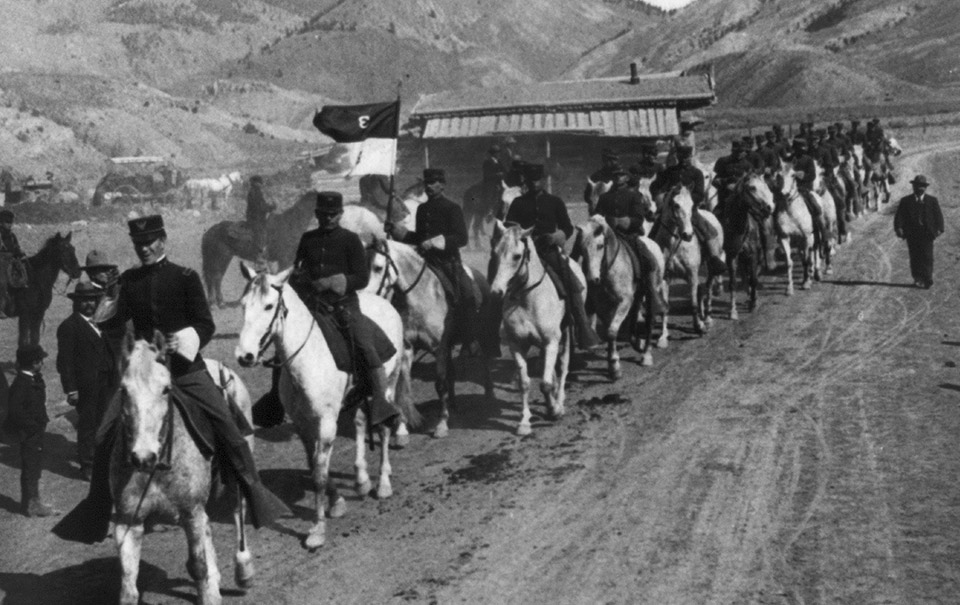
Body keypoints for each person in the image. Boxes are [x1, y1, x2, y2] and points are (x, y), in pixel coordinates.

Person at [53, 214, 290, 544]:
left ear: (162, 240)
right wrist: (107, 300)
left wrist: (187, 339)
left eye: (149, 242)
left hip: (186, 369)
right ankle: (96, 508)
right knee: (106, 433)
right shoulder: (131, 281)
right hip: (148, 372)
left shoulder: (186, 277)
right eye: (139, 244)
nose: (144, 249)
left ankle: (252, 490)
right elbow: (112, 323)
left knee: (227, 425)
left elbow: (206, 324)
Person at [293, 192, 402, 426]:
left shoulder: (351, 240)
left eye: (333, 214)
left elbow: (361, 279)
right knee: (287, 338)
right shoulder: (307, 239)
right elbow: (298, 269)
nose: (329, 219)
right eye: (324, 214)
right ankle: (275, 396)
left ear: (340, 214)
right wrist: (302, 280)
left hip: (344, 305)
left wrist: (335, 282)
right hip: (313, 304)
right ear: (317, 214)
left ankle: (381, 402)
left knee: (364, 342)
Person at [388, 169, 486, 351]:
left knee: (467, 293)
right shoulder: (422, 209)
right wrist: (398, 232)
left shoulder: (452, 208)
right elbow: (419, 238)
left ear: (442, 185)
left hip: (448, 261)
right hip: (425, 261)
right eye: (426, 183)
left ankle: (470, 338)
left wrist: (434, 243)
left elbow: (461, 238)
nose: (429, 187)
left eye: (433, 183)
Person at [506, 163, 601, 350]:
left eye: (537, 180)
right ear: (526, 181)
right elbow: (509, 226)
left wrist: (558, 236)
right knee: (502, 279)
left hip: (548, 251)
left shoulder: (555, 201)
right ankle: (499, 328)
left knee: (571, 282)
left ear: (543, 180)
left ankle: (583, 328)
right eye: (531, 180)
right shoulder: (518, 203)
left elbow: (567, 227)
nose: (534, 184)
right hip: (525, 253)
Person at [56, 281, 115, 480]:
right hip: (86, 386)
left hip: (106, 382)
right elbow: (64, 362)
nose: (89, 305)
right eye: (84, 301)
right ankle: (87, 466)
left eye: (92, 300)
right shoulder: (69, 327)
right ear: (77, 303)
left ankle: (102, 462)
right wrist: (71, 389)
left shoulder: (101, 323)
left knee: (104, 422)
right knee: (88, 426)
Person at [651, 146, 727, 274]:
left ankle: (714, 258)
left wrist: (685, 199)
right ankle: (651, 258)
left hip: (689, 210)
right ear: (678, 157)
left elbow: (699, 194)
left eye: (687, 157)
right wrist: (665, 195)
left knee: (708, 229)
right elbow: (655, 187)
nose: (685, 160)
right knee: (654, 230)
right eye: (682, 157)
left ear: (691, 157)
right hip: (671, 210)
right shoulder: (670, 171)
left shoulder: (696, 173)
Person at [2, 344, 58, 517]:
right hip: (29, 433)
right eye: (40, 360)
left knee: (34, 466)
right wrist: (32, 426)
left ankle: (34, 501)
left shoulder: (33, 378)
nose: (42, 363)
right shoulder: (22, 384)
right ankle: (31, 504)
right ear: (34, 363)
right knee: (31, 467)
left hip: (35, 431)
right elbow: (15, 411)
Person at [894, 175, 944, 289]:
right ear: (913, 187)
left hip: (927, 233)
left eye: (922, 186)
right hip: (912, 233)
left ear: (925, 188)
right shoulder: (906, 201)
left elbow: (938, 216)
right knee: (915, 256)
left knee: (927, 256)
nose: (920, 188)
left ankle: (927, 278)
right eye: (917, 186)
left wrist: (939, 229)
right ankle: (917, 278)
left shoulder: (932, 201)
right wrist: (899, 228)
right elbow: (899, 216)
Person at [790, 139, 827, 247]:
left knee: (816, 207)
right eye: (799, 149)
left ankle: (824, 234)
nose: (801, 151)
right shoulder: (789, 159)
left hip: (804, 188)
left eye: (803, 149)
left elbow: (812, 175)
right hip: (790, 190)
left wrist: (802, 176)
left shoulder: (808, 159)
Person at [711, 140, 752, 218]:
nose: (739, 154)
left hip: (742, 199)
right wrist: (726, 184)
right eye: (737, 151)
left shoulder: (747, 165)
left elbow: (751, 183)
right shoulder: (722, 161)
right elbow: (714, 181)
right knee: (716, 217)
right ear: (732, 150)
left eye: (742, 151)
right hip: (725, 199)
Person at [0, 208, 27, 318]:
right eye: (7, 222)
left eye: (11, 223)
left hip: (12, 261)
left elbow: (16, 248)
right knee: (2, 282)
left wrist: (20, 253)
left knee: (24, 275)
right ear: (1, 223)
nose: (9, 225)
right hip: (0, 262)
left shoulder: (12, 236)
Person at [245, 175, 276, 262]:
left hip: (259, 216)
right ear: (255, 183)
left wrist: (270, 206)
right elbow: (259, 207)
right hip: (254, 217)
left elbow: (262, 204)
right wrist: (270, 208)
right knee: (259, 233)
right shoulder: (254, 192)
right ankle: (257, 255)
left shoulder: (256, 191)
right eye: (259, 183)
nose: (261, 184)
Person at [481, 145, 506, 220]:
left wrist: (504, 174)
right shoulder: (487, 162)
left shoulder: (499, 161)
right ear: (493, 154)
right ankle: (489, 211)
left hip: (499, 182)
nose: (499, 154)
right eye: (497, 153)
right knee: (491, 193)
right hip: (490, 182)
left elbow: (504, 170)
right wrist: (497, 175)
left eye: (499, 152)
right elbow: (486, 175)